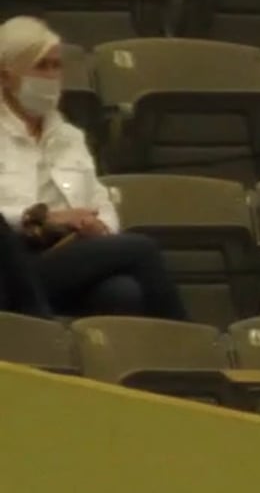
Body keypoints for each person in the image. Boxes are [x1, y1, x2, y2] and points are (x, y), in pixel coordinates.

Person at [0, 17, 185, 322]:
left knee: (123, 293)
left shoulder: (69, 137)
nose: (51, 76)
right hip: (14, 262)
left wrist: (100, 228)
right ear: (6, 77)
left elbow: (100, 201)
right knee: (142, 249)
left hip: (66, 252)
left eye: (56, 66)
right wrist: (45, 218)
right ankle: (190, 347)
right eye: (40, 67)